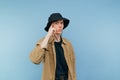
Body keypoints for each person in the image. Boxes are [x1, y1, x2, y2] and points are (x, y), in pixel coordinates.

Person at [29, 13, 76, 80]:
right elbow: (35, 59)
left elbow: (73, 68)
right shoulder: (44, 42)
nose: (60, 25)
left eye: (61, 23)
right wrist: (48, 35)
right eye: (57, 23)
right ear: (51, 26)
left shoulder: (68, 44)